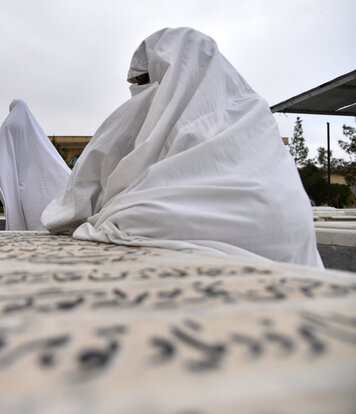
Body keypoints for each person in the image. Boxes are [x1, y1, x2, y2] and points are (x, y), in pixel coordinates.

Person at [41, 27, 322, 268]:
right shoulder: (254, 115)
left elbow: (86, 203)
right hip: (294, 259)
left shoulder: (181, 118)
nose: (138, 93)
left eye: (142, 81)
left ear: (168, 75)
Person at [0, 99, 71, 231]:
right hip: (38, 177)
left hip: (21, 179)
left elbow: (4, 161)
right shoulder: (32, 126)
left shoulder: (7, 126)